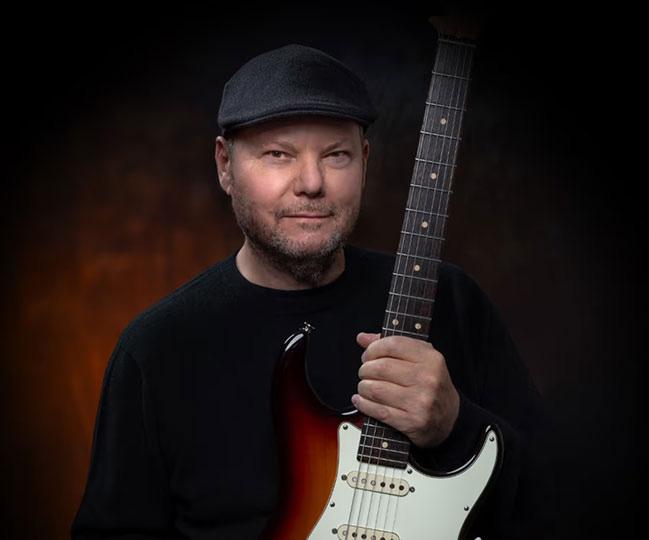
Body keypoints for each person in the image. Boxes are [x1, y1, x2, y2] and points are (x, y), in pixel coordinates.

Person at [71, 43, 552, 539]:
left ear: (364, 160)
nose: (311, 183)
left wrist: (457, 424)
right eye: (278, 155)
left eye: (336, 155)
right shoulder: (156, 348)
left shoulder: (449, 299)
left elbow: (562, 500)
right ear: (224, 165)